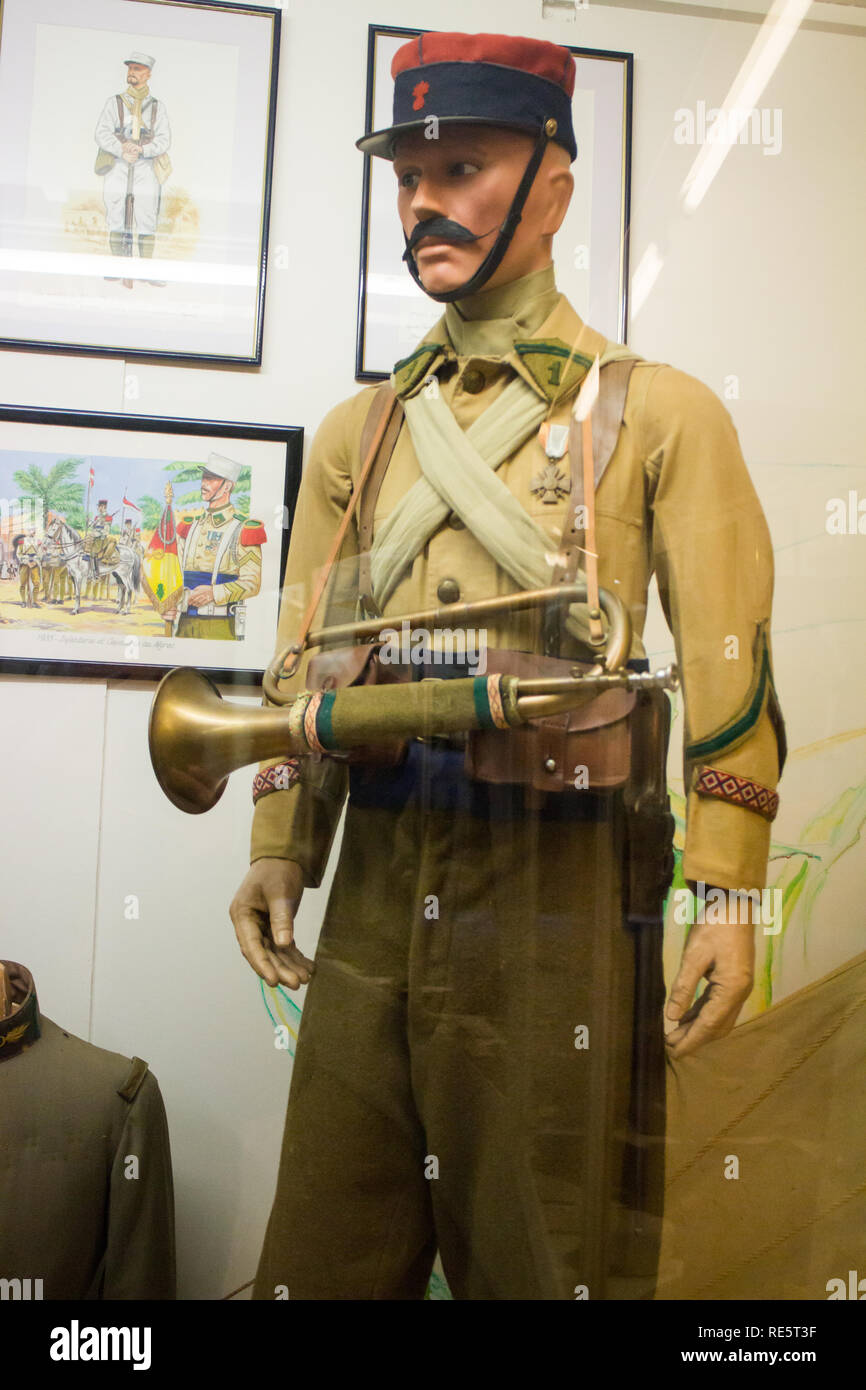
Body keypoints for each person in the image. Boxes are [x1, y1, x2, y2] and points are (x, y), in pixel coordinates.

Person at [229, 32, 785, 1300]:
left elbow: (730, 669)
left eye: (461, 167)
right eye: (406, 176)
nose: (421, 202)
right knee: (325, 1245)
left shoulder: (657, 411)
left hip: (563, 886)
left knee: (550, 1252)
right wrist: (278, 846)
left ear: (550, 187)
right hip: (377, 868)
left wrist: (731, 892)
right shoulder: (353, 437)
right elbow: (299, 664)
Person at [163, 453, 265, 640]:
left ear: (228, 486)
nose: (204, 483)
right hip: (184, 625)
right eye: (204, 477)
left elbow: (252, 584)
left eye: (211, 479)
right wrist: (168, 603)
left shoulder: (243, 529)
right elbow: (174, 573)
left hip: (221, 627)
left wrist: (214, 593)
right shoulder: (190, 526)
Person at [94, 52, 171, 277]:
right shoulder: (114, 103)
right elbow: (101, 133)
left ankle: (146, 270)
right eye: (130, 69)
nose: (132, 73)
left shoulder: (157, 107)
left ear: (148, 74)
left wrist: (143, 150)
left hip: (145, 167)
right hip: (118, 164)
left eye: (137, 69)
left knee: (147, 214)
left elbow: (164, 140)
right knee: (115, 212)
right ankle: (118, 268)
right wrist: (121, 150)